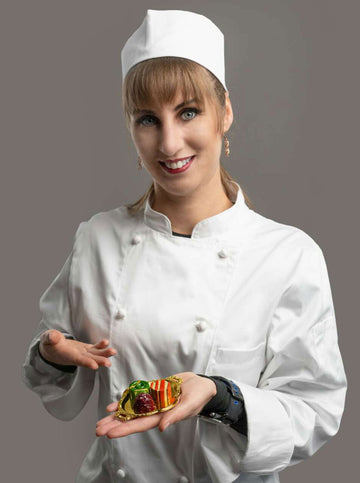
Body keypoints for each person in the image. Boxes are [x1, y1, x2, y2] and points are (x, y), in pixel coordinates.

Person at [22, 9, 347, 483]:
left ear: (225, 112)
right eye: (148, 119)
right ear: (131, 128)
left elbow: (314, 411)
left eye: (188, 112)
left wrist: (219, 396)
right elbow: (48, 381)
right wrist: (53, 354)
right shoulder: (96, 238)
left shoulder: (288, 255)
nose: (170, 143)